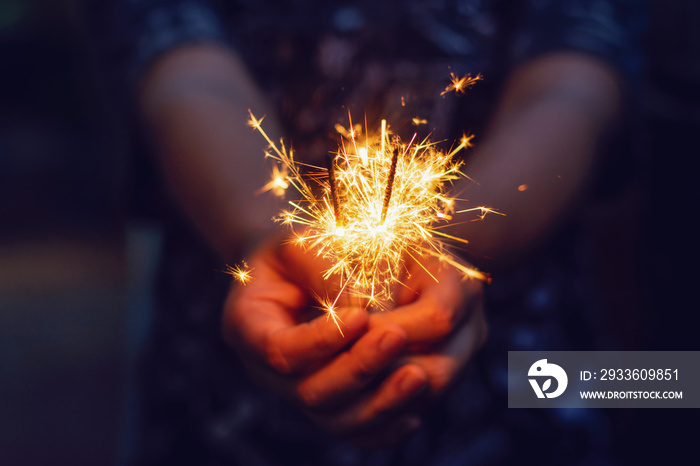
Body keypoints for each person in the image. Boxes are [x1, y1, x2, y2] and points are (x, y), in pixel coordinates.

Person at [105, 1, 646, 464]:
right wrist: (264, 236)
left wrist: (448, 246)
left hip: (529, 389)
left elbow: (575, 80)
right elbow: (175, 56)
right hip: (226, 405)